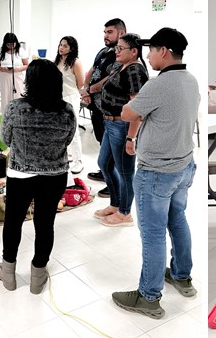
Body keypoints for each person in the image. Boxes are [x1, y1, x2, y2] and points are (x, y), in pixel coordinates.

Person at [111, 28, 198, 319]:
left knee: (153, 234)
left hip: (157, 172)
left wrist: (132, 108)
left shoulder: (158, 84)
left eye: (151, 50)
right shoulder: (190, 80)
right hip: (183, 166)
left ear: (164, 51)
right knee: (178, 220)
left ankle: (149, 297)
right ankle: (182, 276)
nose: (147, 56)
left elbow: (128, 113)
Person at [0, 60, 76, 294]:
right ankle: (37, 276)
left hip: (20, 174)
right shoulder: (66, 111)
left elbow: (6, 139)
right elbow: (68, 140)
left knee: (13, 221)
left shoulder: (15, 108)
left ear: (30, 82)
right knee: (45, 224)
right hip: (55, 175)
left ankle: (8, 274)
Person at [92, 33, 149, 226]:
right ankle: (115, 204)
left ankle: (125, 213)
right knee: (104, 164)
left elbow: (137, 108)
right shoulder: (121, 65)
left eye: (120, 48)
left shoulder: (135, 71)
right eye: (116, 48)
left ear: (133, 51)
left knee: (125, 172)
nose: (116, 51)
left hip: (123, 126)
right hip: (110, 124)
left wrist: (131, 138)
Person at [82, 18, 125, 198]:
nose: (105, 36)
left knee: (114, 147)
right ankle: (105, 171)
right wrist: (85, 88)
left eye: (110, 32)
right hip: (97, 108)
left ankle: (114, 181)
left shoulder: (122, 54)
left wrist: (92, 89)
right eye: (105, 32)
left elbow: (111, 77)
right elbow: (92, 70)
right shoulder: (103, 51)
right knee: (102, 141)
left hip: (112, 111)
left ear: (121, 33)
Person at [55, 36, 86, 174]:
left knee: (73, 131)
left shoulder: (75, 62)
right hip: (58, 97)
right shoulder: (58, 60)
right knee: (60, 129)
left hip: (71, 97)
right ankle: (67, 155)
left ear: (71, 48)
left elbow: (81, 83)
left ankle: (79, 161)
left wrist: (71, 94)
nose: (61, 48)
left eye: (65, 46)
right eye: (60, 45)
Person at [0, 32, 28, 107]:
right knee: (5, 97)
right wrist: (3, 69)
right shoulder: (0, 51)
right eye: (8, 44)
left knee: (18, 95)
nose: (11, 46)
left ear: (16, 42)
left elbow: (26, 65)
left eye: (12, 44)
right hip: (4, 76)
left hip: (17, 76)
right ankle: (6, 113)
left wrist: (18, 69)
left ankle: (19, 113)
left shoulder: (20, 51)